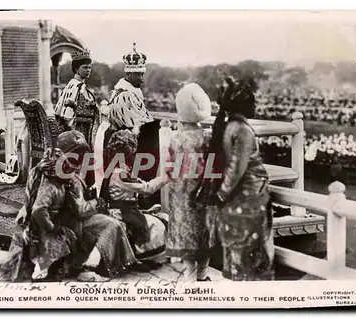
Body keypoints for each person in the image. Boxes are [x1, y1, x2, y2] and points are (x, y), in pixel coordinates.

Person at [195, 76, 274, 281]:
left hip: (235, 196)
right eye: (252, 102)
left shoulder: (227, 126)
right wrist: (222, 194)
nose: (255, 105)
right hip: (249, 193)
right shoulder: (243, 130)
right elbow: (237, 167)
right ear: (243, 106)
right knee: (251, 248)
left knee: (236, 246)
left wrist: (222, 194)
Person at [55, 130, 152, 282]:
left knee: (114, 223)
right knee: (112, 225)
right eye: (78, 154)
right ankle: (88, 267)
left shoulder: (66, 171)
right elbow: (80, 209)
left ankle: (129, 261)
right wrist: (96, 203)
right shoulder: (69, 177)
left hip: (73, 215)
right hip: (70, 220)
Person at [0, 148, 80, 282]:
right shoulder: (50, 186)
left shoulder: (42, 175)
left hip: (36, 218)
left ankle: (40, 261)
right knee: (67, 236)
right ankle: (42, 266)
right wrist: (52, 228)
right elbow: (38, 211)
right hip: (40, 223)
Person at [100, 129, 172, 266]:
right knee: (157, 224)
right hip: (122, 212)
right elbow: (146, 189)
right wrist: (166, 177)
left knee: (157, 218)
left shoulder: (115, 170)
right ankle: (143, 257)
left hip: (124, 209)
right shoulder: (121, 174)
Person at [165, 83, 214, 282]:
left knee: (186, 234)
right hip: (204, 192)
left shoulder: (175, 140)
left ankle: (190, 275)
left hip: (182, 194)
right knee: (204, 233)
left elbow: (169, 169)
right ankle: (203, 275)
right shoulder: (208, 138)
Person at [94, 43, 154, 195]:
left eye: (142, 74)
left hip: (122, 137)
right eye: (139, 75)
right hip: (121, 144)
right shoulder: (126, 95)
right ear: (129, 75)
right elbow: (139, 123)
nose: (142, 78)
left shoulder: (130, 90)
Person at [53, 48, 100, 147]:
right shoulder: (78, 86)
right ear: (77, 69)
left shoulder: (71, 83)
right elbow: (70, 115)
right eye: (85, 67)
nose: (88, 70)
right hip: (75, 132)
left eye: (89, 67)